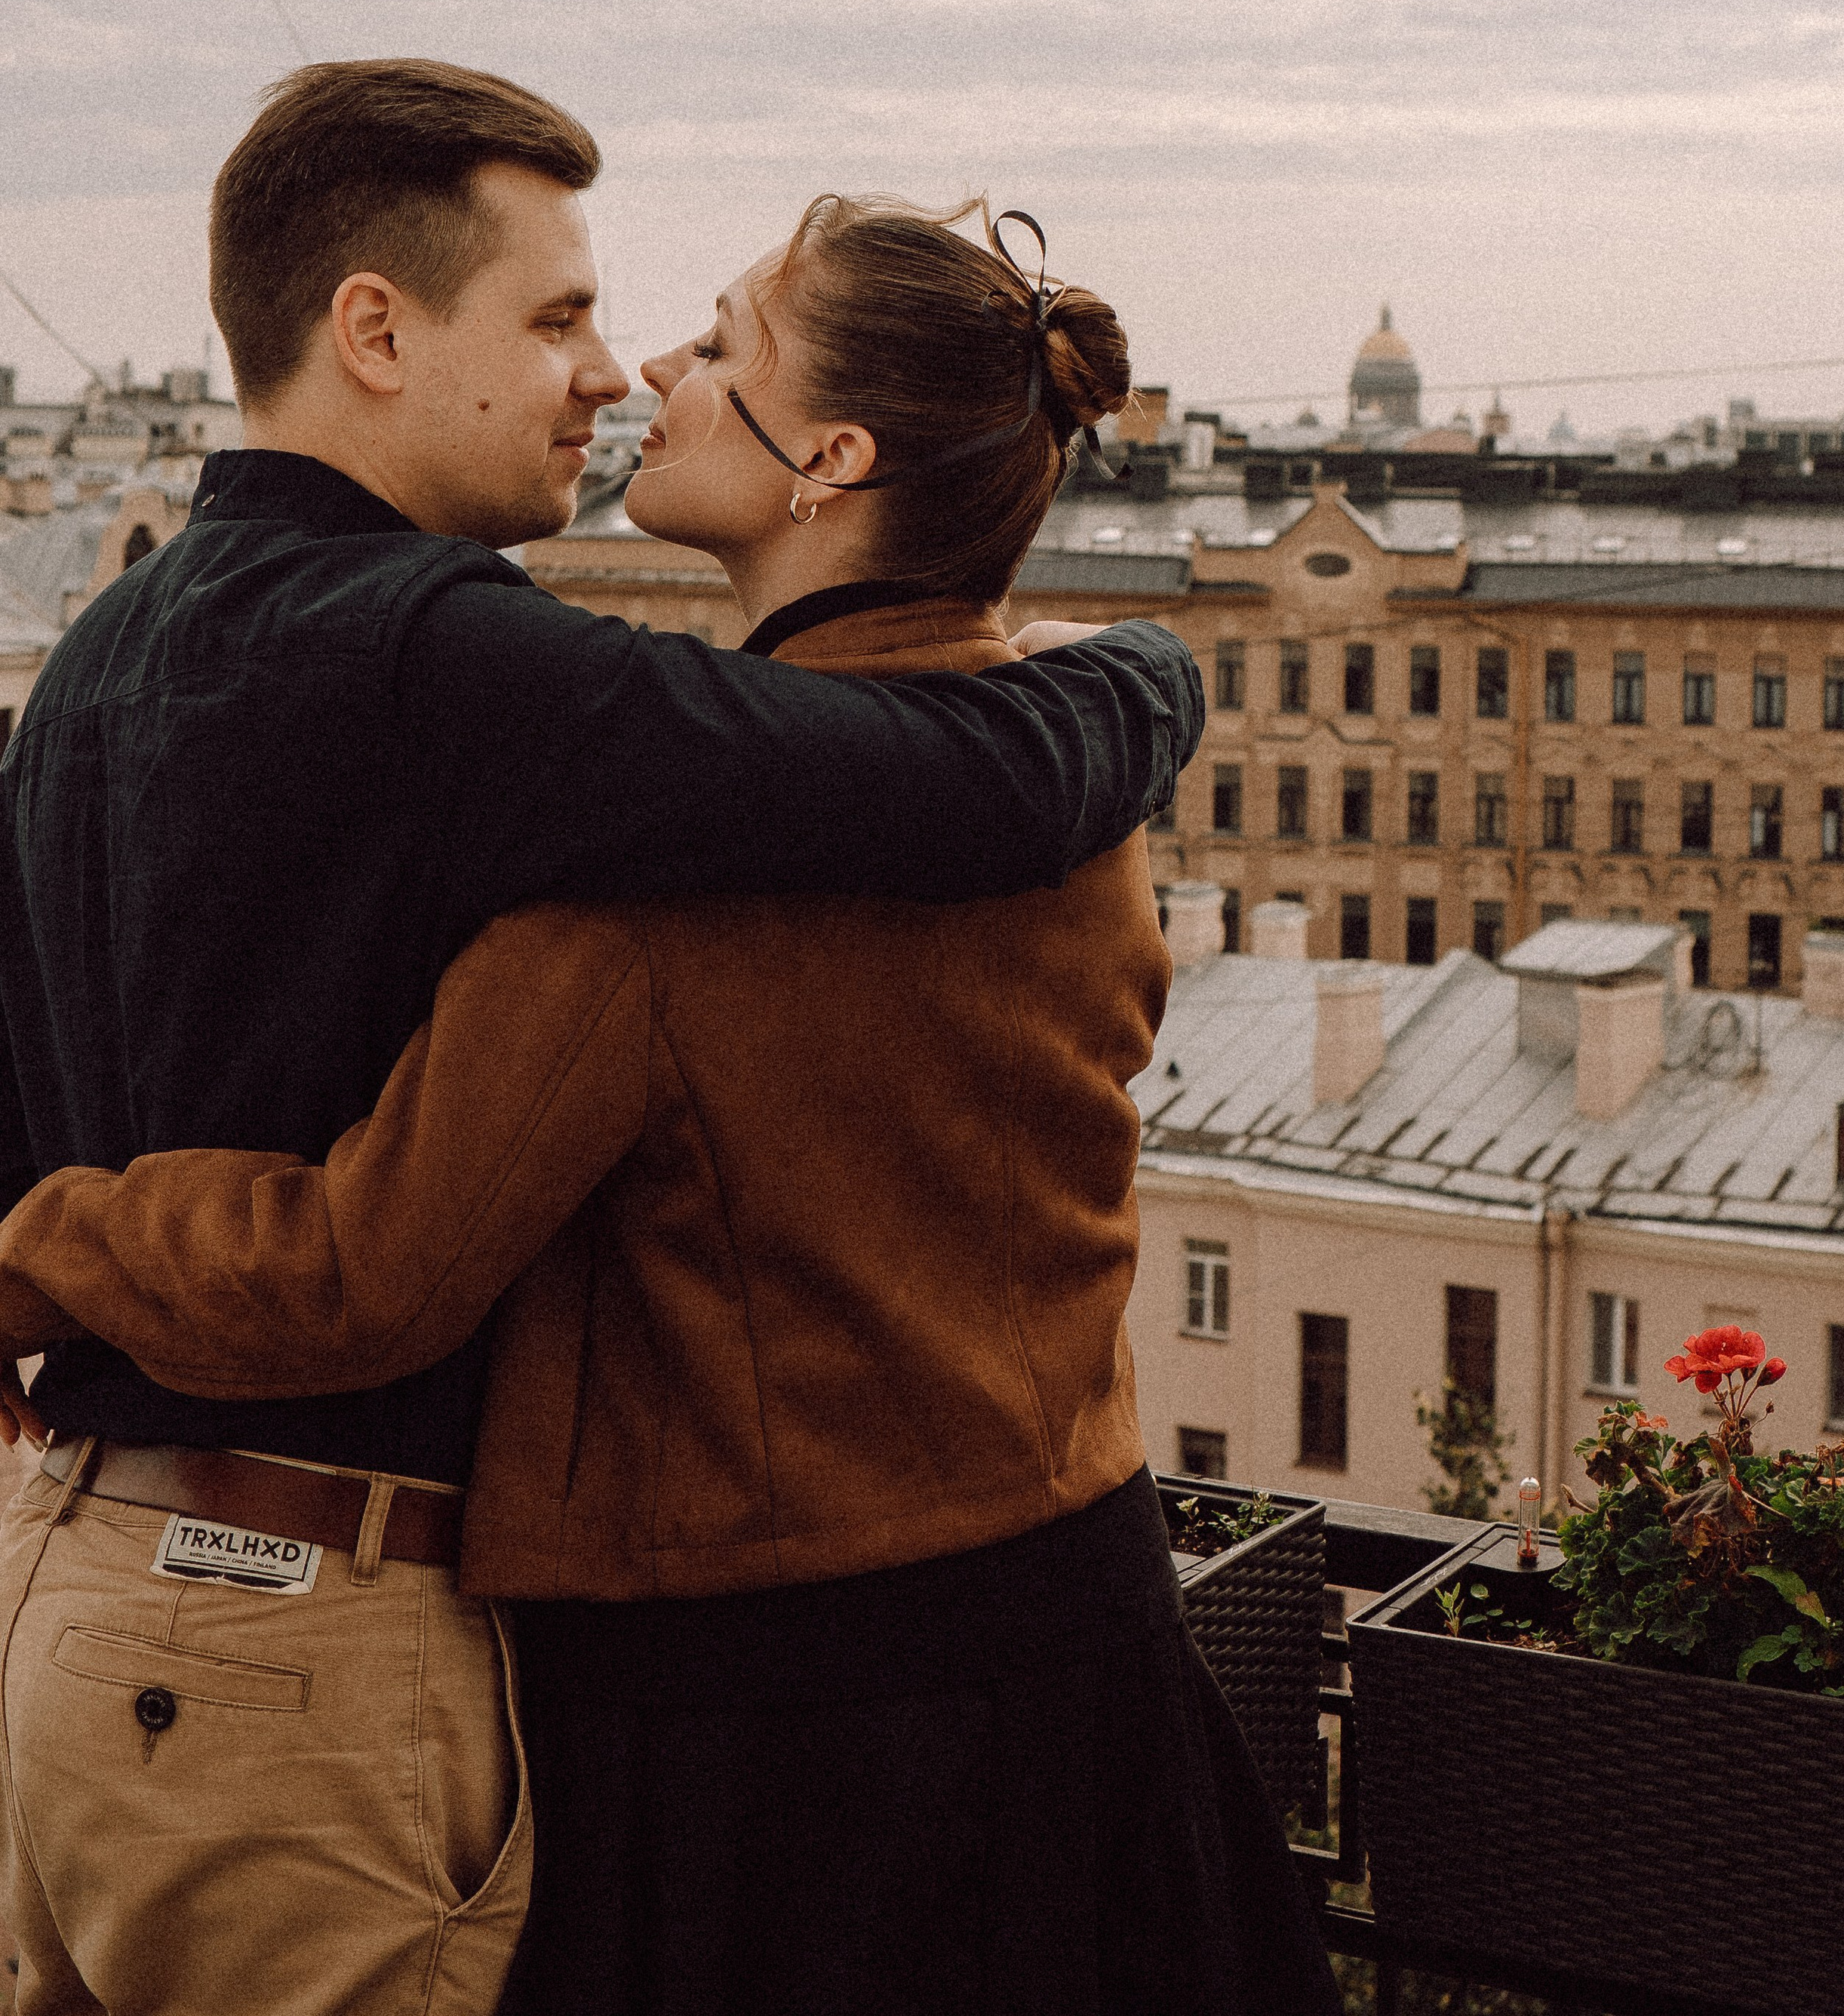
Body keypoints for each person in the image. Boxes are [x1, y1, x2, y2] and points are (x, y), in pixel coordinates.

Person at [0, 195, 1338, 2016]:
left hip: (777, 1732)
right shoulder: (1067, 815)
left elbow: (353, 1279)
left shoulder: (648, 895)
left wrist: (48, 1228)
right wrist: (1157, 666)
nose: (655, 374)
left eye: (720, 346)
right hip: (1089, 1656)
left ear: (830, 462)